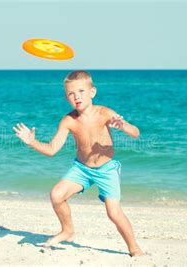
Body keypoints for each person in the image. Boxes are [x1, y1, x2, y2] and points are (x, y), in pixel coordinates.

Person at [13, 70, 144, 257]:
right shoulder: (68, 121)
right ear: (66, 98)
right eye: (71, 94)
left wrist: (122, 126)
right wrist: (32, 142)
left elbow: (136, 132)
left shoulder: (104, 113)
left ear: (92, 92)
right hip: (82, 169)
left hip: (107, 170)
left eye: (81, 91)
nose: (76, 97)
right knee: (57, 195)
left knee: (113, 213)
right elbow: (51, 150)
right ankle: (67, 231)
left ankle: (134, 249)